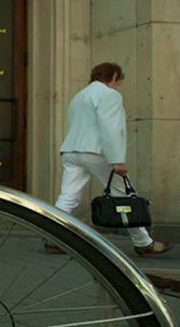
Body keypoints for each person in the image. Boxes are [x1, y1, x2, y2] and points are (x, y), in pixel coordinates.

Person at [52, 62, 169, 256]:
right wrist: (117, 159)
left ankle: (52, 238)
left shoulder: (79, 96)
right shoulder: (109, 95)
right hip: (96, 152)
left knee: (68, 197)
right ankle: (143, 243)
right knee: (125, 196)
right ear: (114, 77)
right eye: (119, 81)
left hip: (72, 150)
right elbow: (110, 128)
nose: (118, 85)